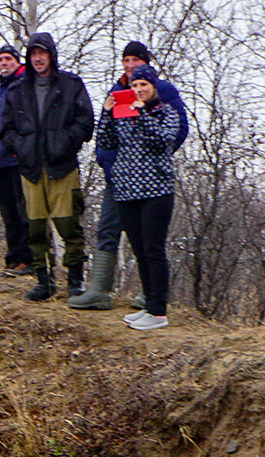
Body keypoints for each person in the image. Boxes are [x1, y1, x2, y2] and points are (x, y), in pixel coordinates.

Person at [73, 41, 190, 310]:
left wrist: (153, 159)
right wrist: (108, 160)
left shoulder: (165, 93)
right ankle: (99, 290)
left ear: (147, 66)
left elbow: (174, 131)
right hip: (119, 179)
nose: (129, 66)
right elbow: (106, 135)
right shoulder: (118, 91)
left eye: (135, 60)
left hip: (152, 181)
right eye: (126, 60)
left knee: (150, 243)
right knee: (109, 229)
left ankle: (151, 298)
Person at [1, 31, 94, 302]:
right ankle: (44, 281)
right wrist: (19, 147)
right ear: (28, 58)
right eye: (33, 54)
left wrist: (65, 143)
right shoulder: (17, 90)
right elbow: (5, 129)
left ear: (51, 55)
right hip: (30, 170)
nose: (38, 59)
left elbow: (85, 121)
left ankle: (75, 281)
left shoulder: (70, 84)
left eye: (42, 53)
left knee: (69, 226)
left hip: (62, 167)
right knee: (35, 229)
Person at [95, 65, 181, 330]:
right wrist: (108, 115)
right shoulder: (123, 114)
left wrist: (140, 111)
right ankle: (149, 306)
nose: (138, 90)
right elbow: (106, 141)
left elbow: (159, 140)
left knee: (154, 250)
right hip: (126, 191)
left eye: (143, 85)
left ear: (153, 87)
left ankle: (158, 311)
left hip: (156, 191)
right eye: (134, 86)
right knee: (139, 250)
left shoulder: (167, 113)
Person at [0, 45, 32, 278]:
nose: (4, 63)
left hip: (17, 159)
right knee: (8, 213)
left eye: (8, 59)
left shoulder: (24, 85)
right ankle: (13, 258)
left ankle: (27, 259)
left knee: (23, 212)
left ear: (17, 62)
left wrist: (20, 149)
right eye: (0, 59)